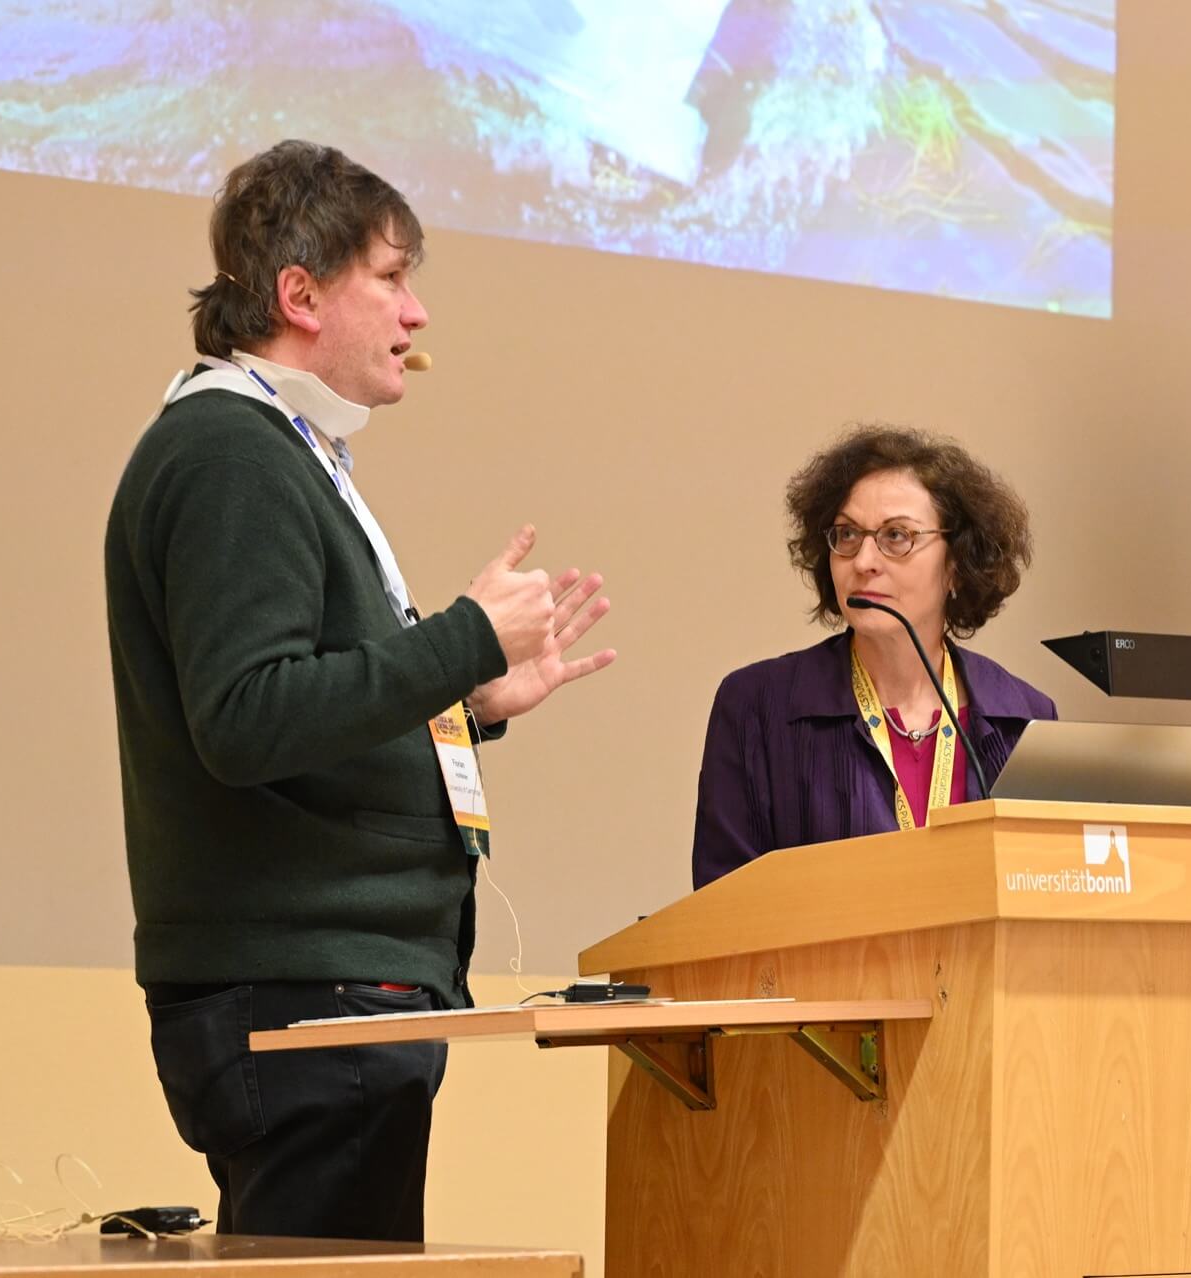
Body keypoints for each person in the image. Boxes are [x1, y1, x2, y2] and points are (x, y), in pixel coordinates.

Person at [104, 140, 614, 1241]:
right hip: (300, 1000)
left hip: (328, 995)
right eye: (391, 278)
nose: (416, 314)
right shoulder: (230, 456)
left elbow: (309, 718)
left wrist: (467, 704)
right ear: (299, 295)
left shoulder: (275, 451)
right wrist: (462, 638)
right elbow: (247, 719)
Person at [692, 424, 1054, 889]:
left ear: (956, 565)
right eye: (846, 535)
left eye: (896, 536)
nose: (864, 560)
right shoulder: (758, 708)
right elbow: (721, 909)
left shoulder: (1024, 720)